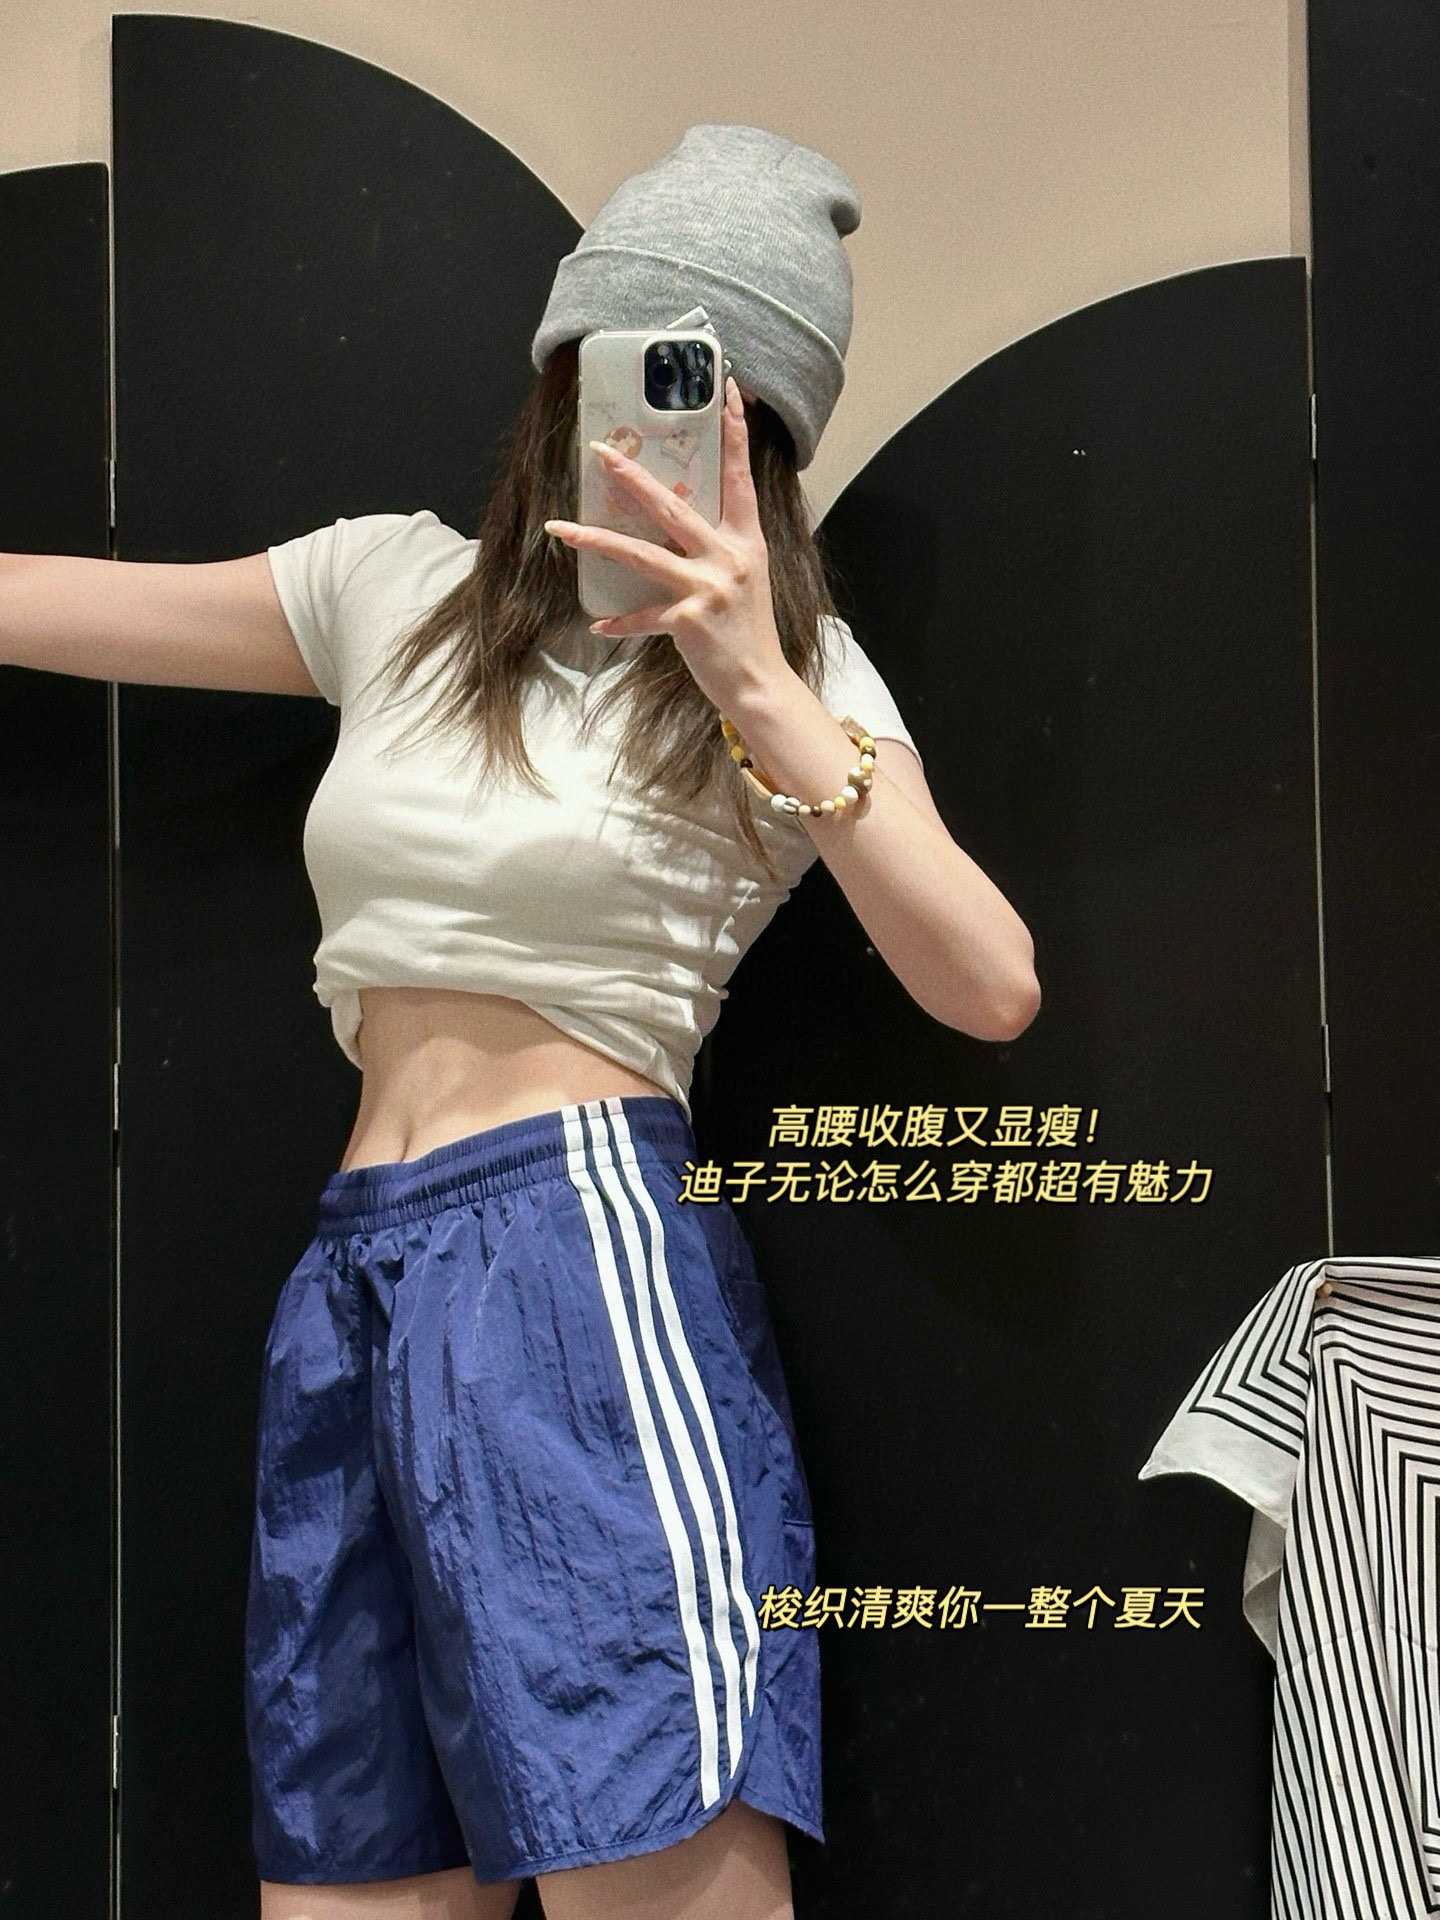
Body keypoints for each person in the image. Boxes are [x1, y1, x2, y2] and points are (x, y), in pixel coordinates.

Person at [1, 124, 1038, 1920]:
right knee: (351, 1874)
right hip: (354, 1276)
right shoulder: (391, 589)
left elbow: (989, 981)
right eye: (610, 372)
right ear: (559, 372)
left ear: (765, 440)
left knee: (654, 1852)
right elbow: (44, 604)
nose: (632, 433)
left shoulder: (793, 683)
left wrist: (754, 682)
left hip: (581, 1264)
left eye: (700, 398)